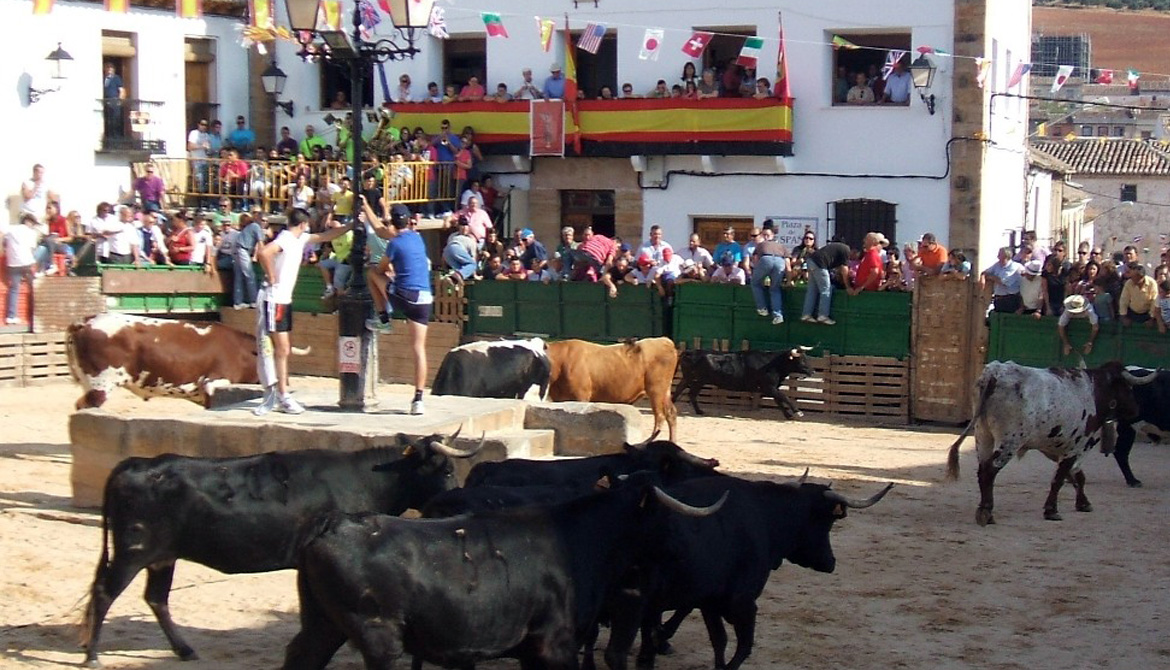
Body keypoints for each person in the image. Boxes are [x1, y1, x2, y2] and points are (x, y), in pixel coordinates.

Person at [254, 208, 354, 416]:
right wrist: (272, 275)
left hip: (283, 298)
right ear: (302, 224)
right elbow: (263, 253)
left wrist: (351, 226)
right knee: (277, 349)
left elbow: (326, 236)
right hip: (274, 298)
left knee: (283, 349)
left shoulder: (298, 238)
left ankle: (280, 393)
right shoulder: (286, 239)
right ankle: (279, 394)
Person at [364, 203, 433, 415]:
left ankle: (383, 318)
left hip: (405, 295)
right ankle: (418, 399)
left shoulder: (394, 244)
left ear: (393, 223)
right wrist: (369, 207)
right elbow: (383, 229)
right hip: (425, 299)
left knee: (372, 274)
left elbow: (381, 268)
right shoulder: (417, 237)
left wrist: (366, 206)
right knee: (419, 349)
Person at [801, 240, 851, 324]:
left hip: (811, 261)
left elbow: (838, 268)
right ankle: (823, 315)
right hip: (820, 264)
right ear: (854, 251)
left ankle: (806, 314)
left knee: (812, 290)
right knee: (826, 289)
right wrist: (848, 286)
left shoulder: (838, 249)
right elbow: (844, 269)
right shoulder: (846, 250)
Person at [5, 214, 39, 325]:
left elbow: (4, 242)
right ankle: (35, 315)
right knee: (33, 288)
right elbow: (33, 249)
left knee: (14, 289)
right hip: (26, 263)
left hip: (13, 263)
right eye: (33, 224)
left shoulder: (10, 229)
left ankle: (11, 316)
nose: (33, 226)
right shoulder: (31, 232)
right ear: (28, 221)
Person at [750, 235, 790, 324]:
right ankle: (778, 315)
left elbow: (755, 259)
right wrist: (789, 280)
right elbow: (787, 264)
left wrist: (756, 272)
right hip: (780, 261)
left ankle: (762, 308)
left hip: (765, 259)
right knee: (775, 289)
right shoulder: (781, 246)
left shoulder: (762, 244)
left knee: (755, 283)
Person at [980, 246, 1025, 315]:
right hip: (998, 299)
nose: (998, 256)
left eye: (1000, 254)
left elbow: (1002, 281)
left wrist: (991, 277)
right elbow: (985, 272)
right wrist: (983, 278)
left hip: (1010, 299)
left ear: (1006, 256)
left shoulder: (1014, 266)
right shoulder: (997, 265)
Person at [234, 211, 264, 308]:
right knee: (250, 275)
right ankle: (254, 301)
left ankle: (238, 302)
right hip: (243, 249)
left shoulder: (249, 227)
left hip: (238, 249)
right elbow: (260, 243)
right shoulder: (256, 226)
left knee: (239, 276)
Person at [442, 216, 479, 284]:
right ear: (458, 226)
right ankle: (456, 277)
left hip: (447, 253)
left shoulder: (453, 236)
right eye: (462, 226)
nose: (464, 228)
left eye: (466, 226)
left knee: (460, 270)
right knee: (472, 265)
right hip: (455, 248)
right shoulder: (471, 239)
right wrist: (475, 275)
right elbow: (473, 259)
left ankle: (452, 280)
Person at [187, 119, 212, 199]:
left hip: (205, 161)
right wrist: (202, 146)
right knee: (199, 181)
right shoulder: (194, 133)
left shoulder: (207, 135)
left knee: (206, 181)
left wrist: (208, 149)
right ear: (198, 124)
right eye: (202, 124)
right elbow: (190, 147)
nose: (204, 126)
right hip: (196, 161)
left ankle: (205, 200)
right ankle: (200, 201)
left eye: (205, 125)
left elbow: (208, 150)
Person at [102, 63, 126, 138]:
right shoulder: (104, 79)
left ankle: (116, 137)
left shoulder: (116, 78)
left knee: (116, 119)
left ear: (113, 70)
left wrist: (120, 101)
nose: (109, 70)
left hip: (115, 101)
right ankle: (109, 136)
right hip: (106, 101)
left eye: (111, 68)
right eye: (108, 68)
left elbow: (121, 90)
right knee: (108, 120)